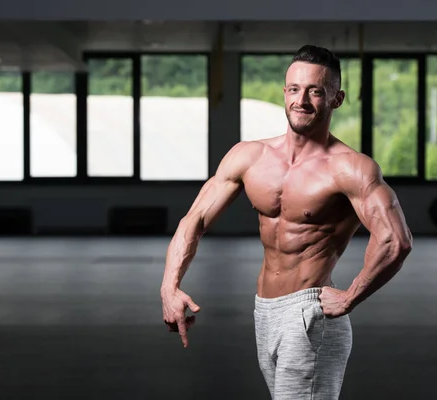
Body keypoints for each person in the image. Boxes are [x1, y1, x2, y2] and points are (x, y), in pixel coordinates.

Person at [160, 44, 413, 399]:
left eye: (316, 91)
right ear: (284, 92)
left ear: (336, 99)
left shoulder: (350, 168)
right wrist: (169, 287)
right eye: (294, 89)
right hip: (264, 311)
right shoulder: (249, 156)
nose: (302, 100)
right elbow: (195, 219)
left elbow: (395, 240)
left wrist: (351, 297)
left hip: (309, 314)